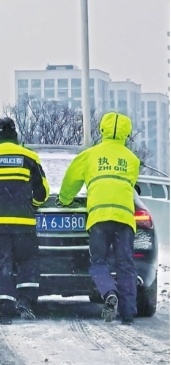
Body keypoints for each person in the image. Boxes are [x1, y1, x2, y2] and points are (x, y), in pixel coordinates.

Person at [56, 111, 140, 325]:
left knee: (98, 262)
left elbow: (71, 180)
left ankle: (109, 292)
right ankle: (128, 314)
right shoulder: (132, 159)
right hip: (124, 218)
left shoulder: (90, 155)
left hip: (99, 218)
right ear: (127, 133)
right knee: (125, 265)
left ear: (102, 129)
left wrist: (65, 199)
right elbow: (129, 185)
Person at [0, 117, 49, 325]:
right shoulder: (30, 157)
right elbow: (42, 193)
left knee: (0, 263)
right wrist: (29, 203)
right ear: (15, 134)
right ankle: (26, 302)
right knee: (27, 260)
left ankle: (4, 311)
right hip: (24, 223)